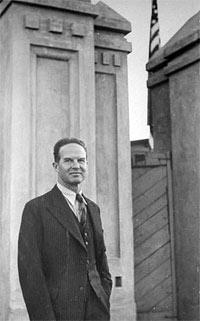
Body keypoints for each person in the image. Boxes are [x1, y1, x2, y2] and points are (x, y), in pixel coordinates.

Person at [18, 137, 112, 321]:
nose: (76, 165)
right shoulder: (37, 209)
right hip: (59, 313)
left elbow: (100, 259)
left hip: (96, 312)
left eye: (81, 160)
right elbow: (31, 273)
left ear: (87, 164)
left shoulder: (93, 208)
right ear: (56, 166)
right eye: (68, 160)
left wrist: (103, 294)